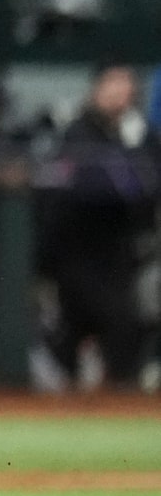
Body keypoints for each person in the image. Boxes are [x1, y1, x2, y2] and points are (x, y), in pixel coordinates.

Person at [42, 65, 151, 389]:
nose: (119, 95)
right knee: (107, 325)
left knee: (124, 328)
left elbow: (144, 192)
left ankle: (116, 398)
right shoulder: (78, 132)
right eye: (112, 86)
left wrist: (136, 148)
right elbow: (102, 188)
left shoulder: (135, 136)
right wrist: (129, 154)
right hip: (74, 258)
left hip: (118, 257)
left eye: (125, 88)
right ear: (96, 89)